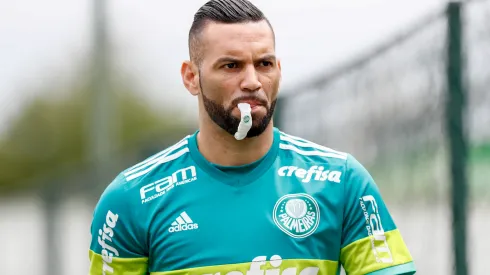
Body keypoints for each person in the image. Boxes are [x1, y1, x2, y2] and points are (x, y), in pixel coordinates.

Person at [88, 0, 416, 274]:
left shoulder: (342, 180)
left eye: (264, 63)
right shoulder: (130, 200)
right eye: (231, 66)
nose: (252, 81)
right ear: (191, 78)